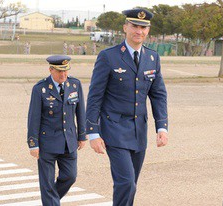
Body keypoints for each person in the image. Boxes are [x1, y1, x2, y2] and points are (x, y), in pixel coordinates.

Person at [86, 8, 169, 206]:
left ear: (148, 31)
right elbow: (95, 96)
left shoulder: (152, 58)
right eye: (134, 26)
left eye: (143, 27)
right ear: (125, 28)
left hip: (139, 131)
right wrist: (92, 132)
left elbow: (158, 95)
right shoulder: (109, 56)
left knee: (131, 184)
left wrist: (162, 127)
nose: (138, 31)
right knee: (126, 183)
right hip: (114, 130)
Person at [27, 55, 86, 206]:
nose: (63, 75)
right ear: (51, 70)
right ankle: (51, 202)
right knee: (47, 182)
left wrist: (82, 135)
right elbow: (34, 118)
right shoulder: (40, 88)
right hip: (47, 142)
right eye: (60, 71)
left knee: (70, 176)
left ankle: (50, 201)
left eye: (66, 71)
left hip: (69, 141)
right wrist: (33, 143)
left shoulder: (74, 84)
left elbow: (80, 112)